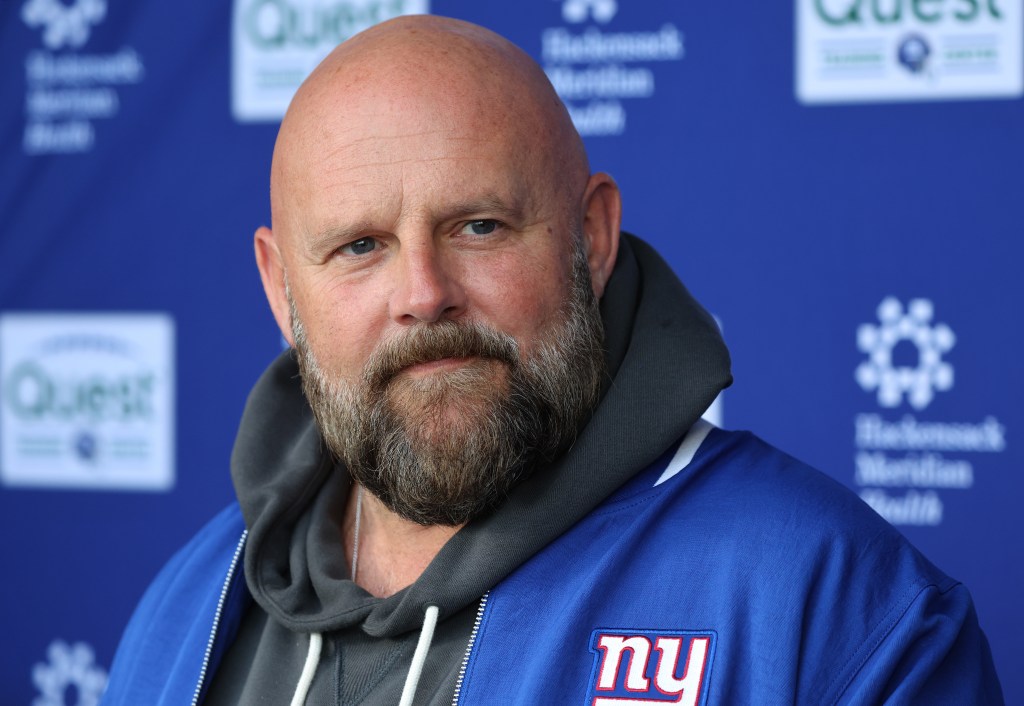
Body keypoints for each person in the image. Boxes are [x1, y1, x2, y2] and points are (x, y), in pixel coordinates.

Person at [101, 15, 1004, 706]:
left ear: (593, 236)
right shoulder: (185, 609)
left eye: (479, 226)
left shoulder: (833, 606)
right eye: (359, 246)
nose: (423, 291)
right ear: (279, 289)